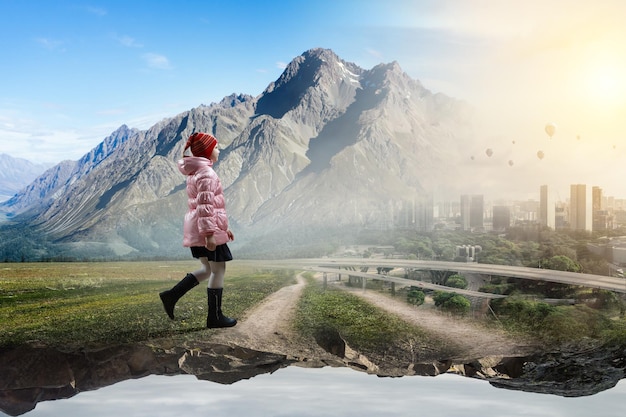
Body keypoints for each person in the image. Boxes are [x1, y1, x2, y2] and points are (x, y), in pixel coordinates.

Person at [159, 132, 237, 328]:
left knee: (207, 268)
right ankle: (215, 317)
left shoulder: (194, 173)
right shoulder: (207, 174)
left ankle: (172, 295)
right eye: (216, 147)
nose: (219, 150)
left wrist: (223, 229)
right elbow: (206, 206)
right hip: (206, 231)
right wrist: (211, 235)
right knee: (218, 269)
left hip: (198, 227)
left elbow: (207, 208)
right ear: (208, 152)